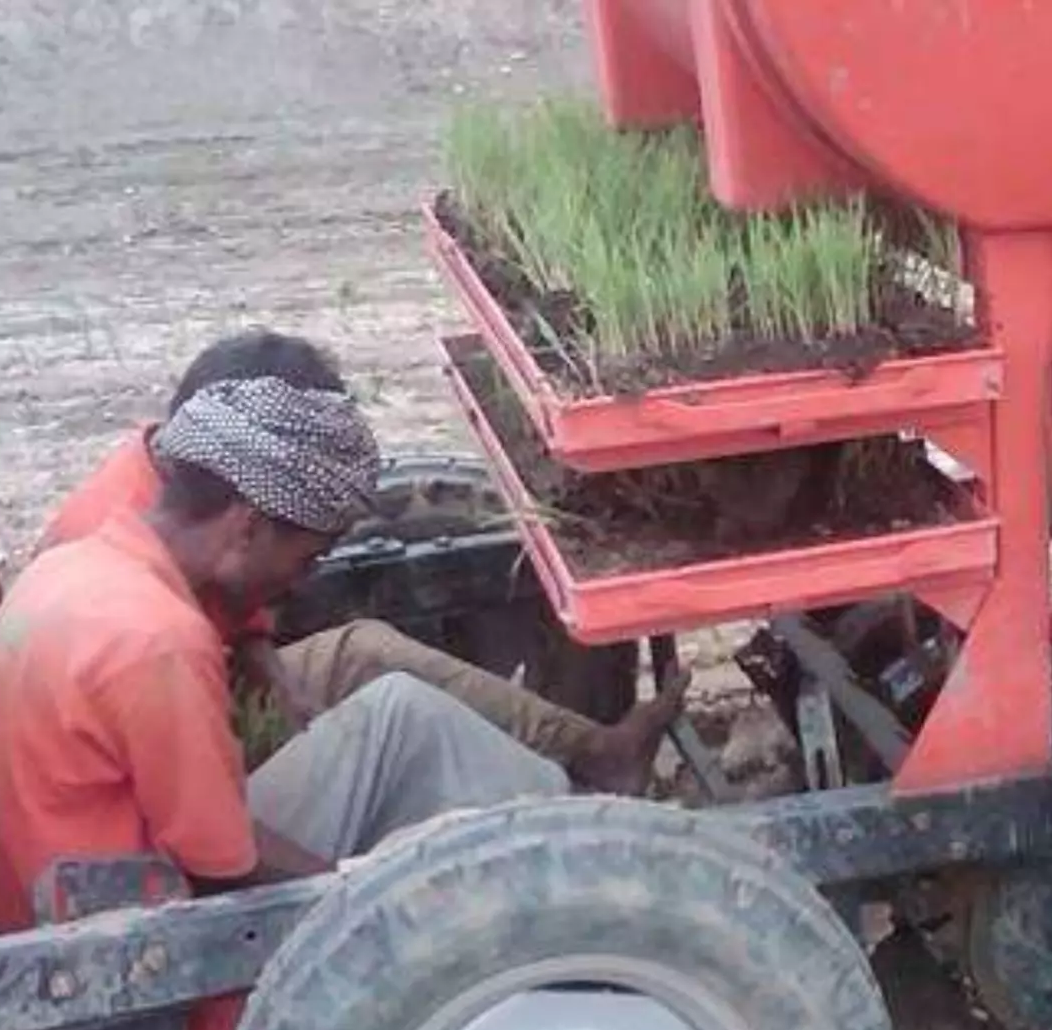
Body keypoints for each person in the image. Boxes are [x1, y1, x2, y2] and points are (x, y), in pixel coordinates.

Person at [0, 377, 585, 1030]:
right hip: (146, 965)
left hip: (82, 899)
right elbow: (223, 866)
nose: (298, 583)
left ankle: (565, 854)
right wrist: (382, 893)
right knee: (415, 864)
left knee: (398, 715)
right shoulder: (157, 642)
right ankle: (574, 913)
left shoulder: (79, 566)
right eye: (308, 557)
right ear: (247, 527)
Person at [35, 328, 685, 794]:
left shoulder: (182, 492)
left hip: (195, 702)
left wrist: (271, 671)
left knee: (364, 657)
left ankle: (593, 753)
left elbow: (234, 610)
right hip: (154, 760)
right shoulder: (129, 594)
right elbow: (207, 838)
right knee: (386, 708)